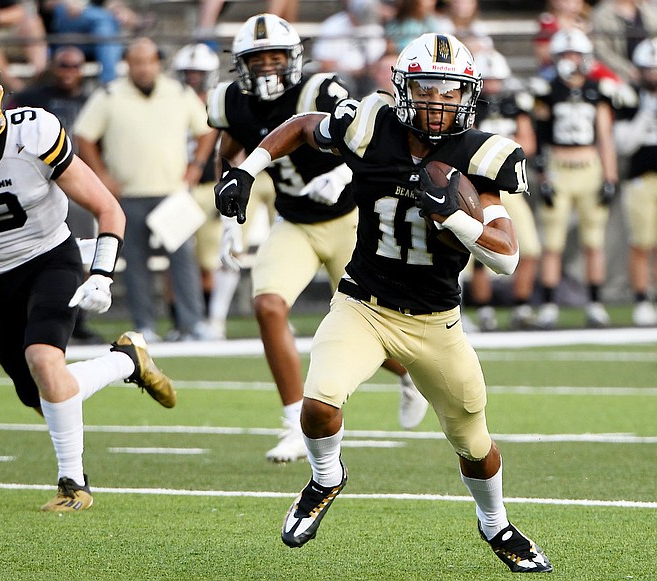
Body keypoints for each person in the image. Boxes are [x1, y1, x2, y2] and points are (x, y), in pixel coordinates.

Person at [213, 32, 552, 572]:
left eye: (449, 92)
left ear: (468, 95)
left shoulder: (480, 156)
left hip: (437, 322)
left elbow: (506, 257)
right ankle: (326, 478)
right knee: (319, 403)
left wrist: (454, 216)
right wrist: (246, 169)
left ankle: (496, 525)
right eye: (425, 89)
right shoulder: (369, 125)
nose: (437, 103)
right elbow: (302, 127)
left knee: (475, 443)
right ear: (402, 89)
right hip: (363, 304)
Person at [0, 53, 176, 511]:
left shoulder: (34, 132)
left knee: (44, 361)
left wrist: (102, 275)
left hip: (52, 255)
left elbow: (108, 208)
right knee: (37, 393)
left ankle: (74, 484)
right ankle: (126, 362)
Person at [211, 14, 427, 464]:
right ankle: (294, 423)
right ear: (240, 64)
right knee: (267, 305)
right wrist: (231, 219)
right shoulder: (231, 100)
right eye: (257, 59)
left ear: (293, 58)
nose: (268, 66)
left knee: (377, 331)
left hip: (352, 221)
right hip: (294, 223)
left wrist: (343, 170)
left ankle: (410, 375)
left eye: (275, 56)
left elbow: (369, 136)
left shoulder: (319, 91)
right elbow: (228, 150)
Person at [73, 38, 217, 343]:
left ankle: (191, 325)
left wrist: (196, 166)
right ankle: (145, 325)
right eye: (137, 62)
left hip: (172, 192)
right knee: (135, 262)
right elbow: (83, 136)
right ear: (128, 63)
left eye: (149, 61)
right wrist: (101, 174)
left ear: (158, 62)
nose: (143, 68)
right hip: (128, 194)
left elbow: (206, 129)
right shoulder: (109, 94)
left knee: (183, 260)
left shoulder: (179, 92)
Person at [9, 45, 104, 343]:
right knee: (34, 253)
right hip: (39, 187)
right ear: (53, 66)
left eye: (76, 66)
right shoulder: (31, 100)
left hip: (78, 184)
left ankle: (78, 319)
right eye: (64, 65)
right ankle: (31, 317)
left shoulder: (92, 100)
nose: (69, 71)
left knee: (81, 254)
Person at [531, 28, 620, 329]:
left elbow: (605, 137)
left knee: (593, 241)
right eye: (565, 54)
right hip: (559, 167)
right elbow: (540, 135)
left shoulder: (599, 89)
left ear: (585, 57)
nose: (570, 60)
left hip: (589, 167)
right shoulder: (546, 90)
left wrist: (610, 176)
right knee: (552, 242)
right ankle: (549, 305)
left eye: (575, 54)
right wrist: (542, 173)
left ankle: (595, 303)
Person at [470, 48, 541, 331]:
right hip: (483, 188)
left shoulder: (515, 105)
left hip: (511, 189)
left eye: (498, 80)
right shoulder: (472, 107)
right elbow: (470, 143)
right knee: (481, 252)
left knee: (531, 248)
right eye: (489, 80)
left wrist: (495, 145)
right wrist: (505, 144)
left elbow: (530, 144)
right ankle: (484, 310)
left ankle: (521, 306)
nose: (494, 86)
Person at [170, 42, 234, 340]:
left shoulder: (220, 102)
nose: (193, 78)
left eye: (199, 73)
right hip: (173, 187)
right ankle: (181, 323)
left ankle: (209, 321)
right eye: (189, 73)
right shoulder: (170, 101)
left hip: (208, 185)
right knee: (176, 259)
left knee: (210, 259)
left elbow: (231, 148)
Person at [614, 37, 657, 326]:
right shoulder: (630, 96)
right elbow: (624, 144)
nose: (656, 75)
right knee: (641, 244)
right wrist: (648, 111)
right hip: (641, 180)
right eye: (651, 68)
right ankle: (641, 299)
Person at [311, 0, 389, 99]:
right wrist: (354, 71)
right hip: (343, 76)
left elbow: (380, 58)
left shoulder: (375, 27)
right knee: (342, 79)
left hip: (369, 75)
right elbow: (325, 64)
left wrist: (370, 70)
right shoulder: (332, 26)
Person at [37, 0, 123, 84]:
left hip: (95, 35)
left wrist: (115, 6)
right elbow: (45, 4)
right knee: (105, 22)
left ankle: (109, 80)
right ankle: (110, 82)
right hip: (66, 24)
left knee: (105, 30)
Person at [590, 0, 657, 85]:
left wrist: (654, 67)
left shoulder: (650, 11)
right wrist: (628, 69)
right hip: (621, 76)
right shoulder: (602, 14)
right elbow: (602, 50)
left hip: (653, 73)